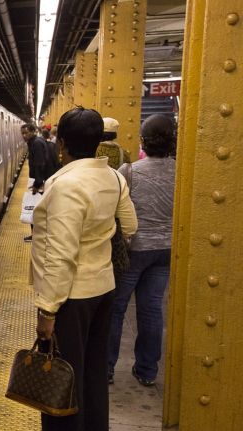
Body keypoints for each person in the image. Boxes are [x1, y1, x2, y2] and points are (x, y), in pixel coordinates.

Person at [32, 107, 137, 431]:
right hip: (103, 289)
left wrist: (47, 311)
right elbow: (130, 226)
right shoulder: (113, 177)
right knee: (91, 374)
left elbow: (61, 255)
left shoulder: (66, 185)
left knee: (62, 378)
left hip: (71, 297)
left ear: (61, 144)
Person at [107, 114, 176, 387]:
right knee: (151, 309)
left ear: (143, 141)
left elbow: (117, 211)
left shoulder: (130, 171)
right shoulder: (182, 170)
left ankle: (106, 368)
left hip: (134, 249)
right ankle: (147, 370)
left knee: (116, 308)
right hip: (165, 250)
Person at [21, 123, 57, 241]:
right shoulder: (36, 142)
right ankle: (37, 234)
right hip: (40, 179)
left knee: (35, 209)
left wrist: (37, 184)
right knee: (36, 208)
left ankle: (37, 235)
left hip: (39, 181)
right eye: (22, 133)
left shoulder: (36, 143)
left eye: (26, 133)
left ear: (33, 132)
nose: (24, 135)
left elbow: (40, 164)